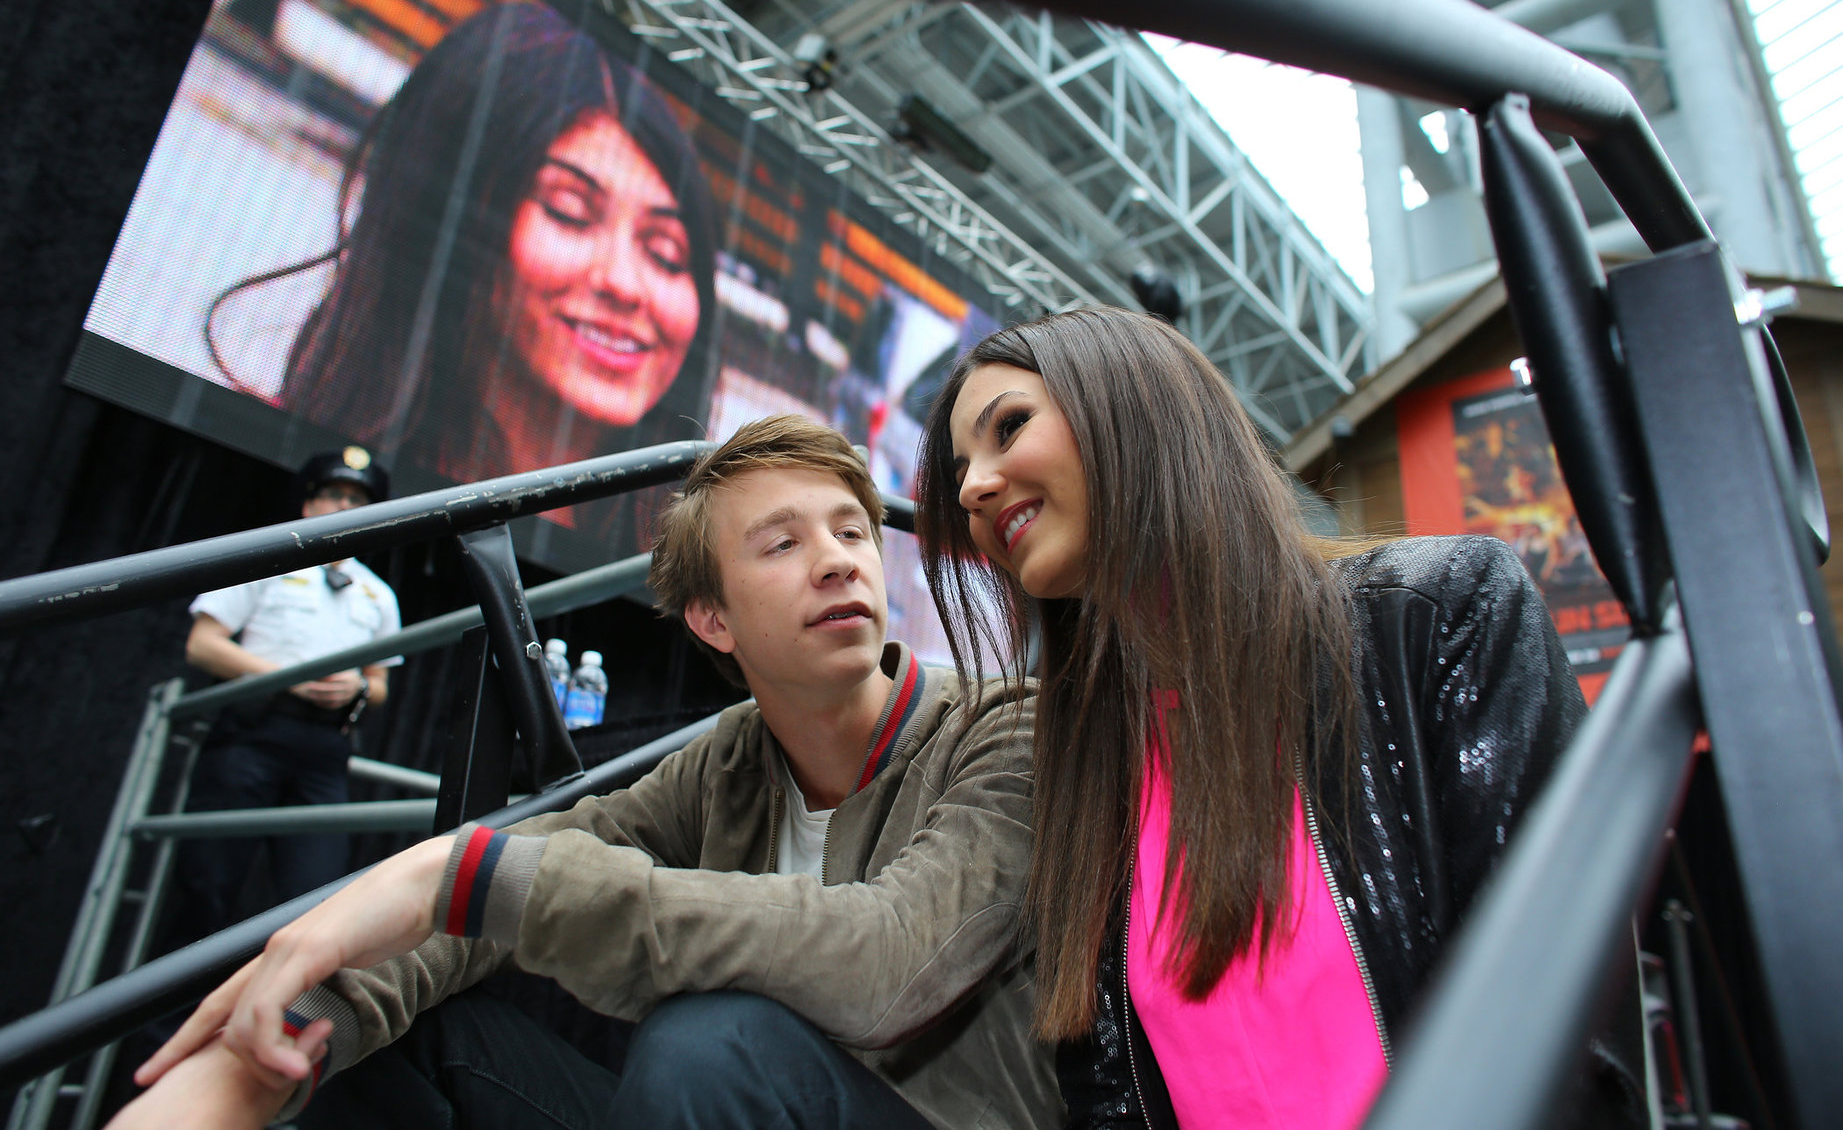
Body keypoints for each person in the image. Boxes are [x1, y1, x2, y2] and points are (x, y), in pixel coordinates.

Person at [113, 415, 1057, 1130]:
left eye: (853, 533)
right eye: (782, 543)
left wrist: (453, 876)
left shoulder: (1007, 728)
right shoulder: (723, 764)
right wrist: (247, 1062)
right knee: (401, 1039)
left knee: (709, 1044)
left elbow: (890, 963)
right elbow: (477, 910)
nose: (836, 563)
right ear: (712, 621)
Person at [912, 307, 1646, 1129]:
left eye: (1007, 427)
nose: (973, 489)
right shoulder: (1084, 762)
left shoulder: (1439, 617)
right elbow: (1104, 1089)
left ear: (1133, 409)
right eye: (961, 472)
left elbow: (1562, 1011)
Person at [209, 1, 719, 542]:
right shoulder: (271, 489)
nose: (625, 284)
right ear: (447, 216)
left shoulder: (689, 583)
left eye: (666, 253)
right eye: (569, 212)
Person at [169, 447, 401, 945]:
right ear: (308, 505)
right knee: (208, 885)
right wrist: (286, 678)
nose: (344, 506)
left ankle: (285, 1019)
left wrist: (359, 686)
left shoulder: (379, 595)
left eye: (358, 499)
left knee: (318, 899)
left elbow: (379, 683)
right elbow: (202, 645)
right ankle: (164, 1025)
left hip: (325, 750)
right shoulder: (265, 560)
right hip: (252, 736)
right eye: (333, 495)